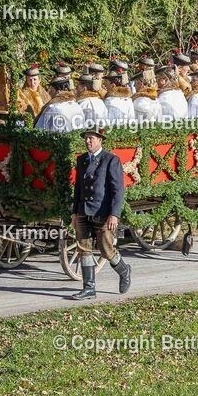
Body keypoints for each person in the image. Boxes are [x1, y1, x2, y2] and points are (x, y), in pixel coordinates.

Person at [70, 128, 131, 300]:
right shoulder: (81, 160)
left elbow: (118, 190)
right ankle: (89, 288)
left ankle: (124, 270)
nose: (87, 141)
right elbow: (78, 189)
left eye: (91, 138)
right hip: (83, 211)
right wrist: (75, 213)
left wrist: (114, 214)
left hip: (103, 213)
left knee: (106, 249)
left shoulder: (111, 160)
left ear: (100, 140)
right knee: (84, 249)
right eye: (86, 138)